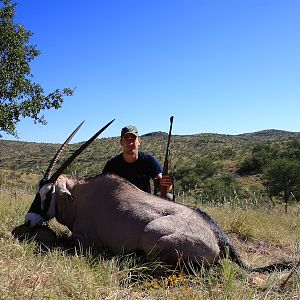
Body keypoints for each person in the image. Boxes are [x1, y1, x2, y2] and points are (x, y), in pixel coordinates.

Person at [102, 125, 172, 196]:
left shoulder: (148, 160)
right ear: (121, 143)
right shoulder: (112, 164)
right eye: (126, 139)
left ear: (139, 141)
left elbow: (164, 183)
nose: (130, 143)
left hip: (144, 202)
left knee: (169, 196)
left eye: (133, 139)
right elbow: (102, 186)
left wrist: (167, 184)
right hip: (119, 202)